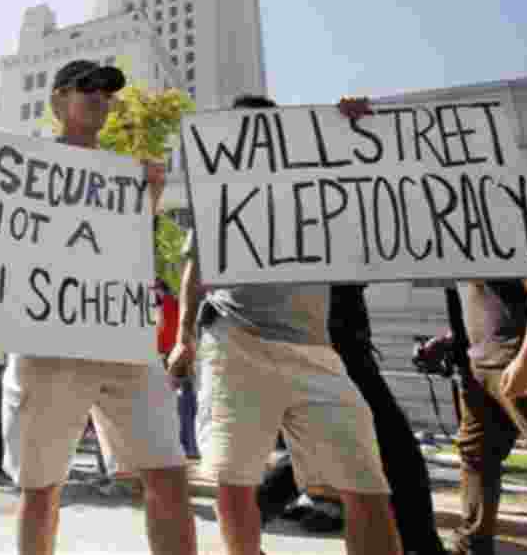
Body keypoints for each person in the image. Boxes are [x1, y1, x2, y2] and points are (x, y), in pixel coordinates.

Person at [169, 95, 403, 555]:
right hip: (234, 342)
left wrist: (355, 129)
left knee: (367, 484)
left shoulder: (316, 184)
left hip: (316, 353)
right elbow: (195, 271)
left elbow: (373, 184)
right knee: (232, 479)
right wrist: (183, 340)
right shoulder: (221, 190)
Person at [2, 59, 197, 555]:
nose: (99, 97)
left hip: (121, 341)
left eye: (107, 92)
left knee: (169, 475)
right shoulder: (23, 165)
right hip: (48, 343)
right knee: (42, 489)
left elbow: (124, 254)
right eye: (86, 87)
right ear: (58, 99)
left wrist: (147, 201)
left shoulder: (123, 177)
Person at [257, 284, 448, 554]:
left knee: (317, 452)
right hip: (329, 339)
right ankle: (421, 545)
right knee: (398, 452)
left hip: (338, 337)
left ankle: (244, 523)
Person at [435, 279, 527, 555]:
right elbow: (482, 306)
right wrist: (451, 342)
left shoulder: (507, 237)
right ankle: (471, 546)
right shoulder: (455, 251)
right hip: (475, 366)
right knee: (475, 455)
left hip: (514, 362)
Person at [154, 277, 199, 460]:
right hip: (184, 355)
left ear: (158, 289)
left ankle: (176, 445)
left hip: (166, 357)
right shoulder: (179, 303)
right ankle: (190, 446)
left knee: (169, 403)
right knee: (187, 403)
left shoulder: (161, 304)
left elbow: (160, 327)